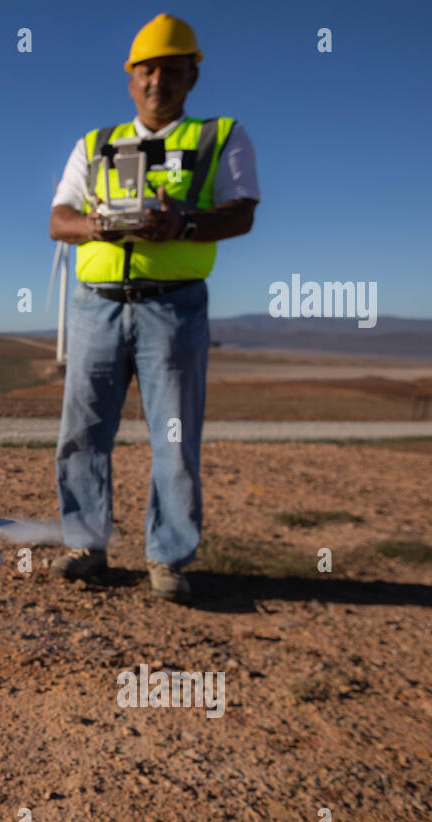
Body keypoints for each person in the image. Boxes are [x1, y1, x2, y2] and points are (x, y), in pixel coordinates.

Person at [47, 13, 260, 603]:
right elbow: (58, 220)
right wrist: (94, 225)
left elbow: (241, 212)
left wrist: (184, 223)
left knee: (174, 437)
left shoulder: (220, 135)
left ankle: (169, 558)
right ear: (129, 78)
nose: (156, 81)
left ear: (192, 75)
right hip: (95, 307)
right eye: (146, 69)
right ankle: (85, 545)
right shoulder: (94, 144)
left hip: (174, 310)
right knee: (83, 433)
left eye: (170, 70)